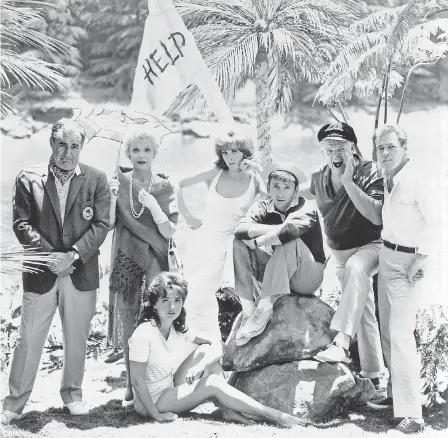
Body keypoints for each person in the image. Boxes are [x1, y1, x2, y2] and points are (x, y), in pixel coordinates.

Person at [1, 119, 110, 424]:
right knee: (29, 338)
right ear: (51, 144)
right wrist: (52, 256)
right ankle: (13, 404)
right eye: (62, 144)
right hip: (41, 271)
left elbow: (101, 225)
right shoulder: (28, 178)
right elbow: (21, 224)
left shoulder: (96, 179)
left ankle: (73, 394)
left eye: (75, 146)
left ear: (81, 148)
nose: (68, 152)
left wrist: (72, 255)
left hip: (81, 270)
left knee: (77, 337)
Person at [128, 271, 304, 427]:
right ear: (154, 304)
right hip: (151, 400)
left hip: (169, 385)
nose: (172, 307)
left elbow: (217, 344)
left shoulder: (177, 327)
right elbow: (136, 381)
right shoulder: (144, 333)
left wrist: (200, 365)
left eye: (177, 300)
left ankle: (227, 410)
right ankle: (274, 415)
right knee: (211, 382)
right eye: (165, 300)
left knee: (205, 352)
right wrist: (157, 415)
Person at [300, 122, 384, 390]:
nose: (335, 153)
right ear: (322, 151)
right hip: (340, 256)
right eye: (328, 148)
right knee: (365, 312)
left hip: (372, 246)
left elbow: (375, 215)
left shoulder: (370, 171)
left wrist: (348, 182)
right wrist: (260, 183)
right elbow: (292, 191)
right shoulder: (319, 178)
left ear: (352, 147)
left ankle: (342, 342)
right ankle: (373, 377)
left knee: (358, 269)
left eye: (340, 147)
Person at [367, 125, 439, 434]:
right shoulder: (388, 178)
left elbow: (438, 222)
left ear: (404, 147)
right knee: (387, 331)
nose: (384, 153)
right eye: (380, 148)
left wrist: (418, 260)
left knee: (401, 335)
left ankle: (414, 417)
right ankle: (397, 397)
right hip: (387, 255)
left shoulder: (418, 179)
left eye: (390, 147)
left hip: (408, 262)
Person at [107, 126, 178, 406]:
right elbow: (109, 224)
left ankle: (156, 379)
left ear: (154, 154)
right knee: (127, 320)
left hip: (154, 259)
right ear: (128, 153)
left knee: (152, 317)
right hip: (125, 257)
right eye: (135, 150)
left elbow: (169, 232)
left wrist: (154, 207)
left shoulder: (164, 186)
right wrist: (111, 197)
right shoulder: (118, 181)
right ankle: (130, 382)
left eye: (146, 149)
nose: (141, 154)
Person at [178, 131, 266, 340]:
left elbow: (272, 196)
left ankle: (230, 342)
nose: (229, 157)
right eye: (225, 152)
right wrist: (188, 216)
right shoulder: (215, 172)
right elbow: (179, 183)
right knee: (198, 296)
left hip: (236, 243)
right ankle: (198, 345)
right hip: (207, 241)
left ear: (245, 153)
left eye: (234, 151)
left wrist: (257, 168)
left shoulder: (254, 179)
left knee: (237, 297)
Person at [232, 162, 326, 346]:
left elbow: (287, 232)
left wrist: (258, 240)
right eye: (275, 186)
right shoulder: (262, 207)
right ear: (268, 187)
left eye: (286, 188)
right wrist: (274, 228)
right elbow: (240, 229)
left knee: (289, 240)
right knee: (238, 243)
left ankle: (265, 307)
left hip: (306, 276)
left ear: (296, 190)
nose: (280, 193)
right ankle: (249, 310)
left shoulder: (307, 208)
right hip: (278, 270)